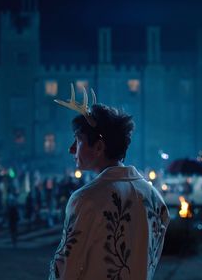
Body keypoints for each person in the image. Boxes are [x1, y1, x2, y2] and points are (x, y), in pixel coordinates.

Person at [49, 85, 170, 280]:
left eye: (78, 141)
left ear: (98, 147)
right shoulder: (154, 198)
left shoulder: (86, 199)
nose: (72, 149)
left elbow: (65, 268)